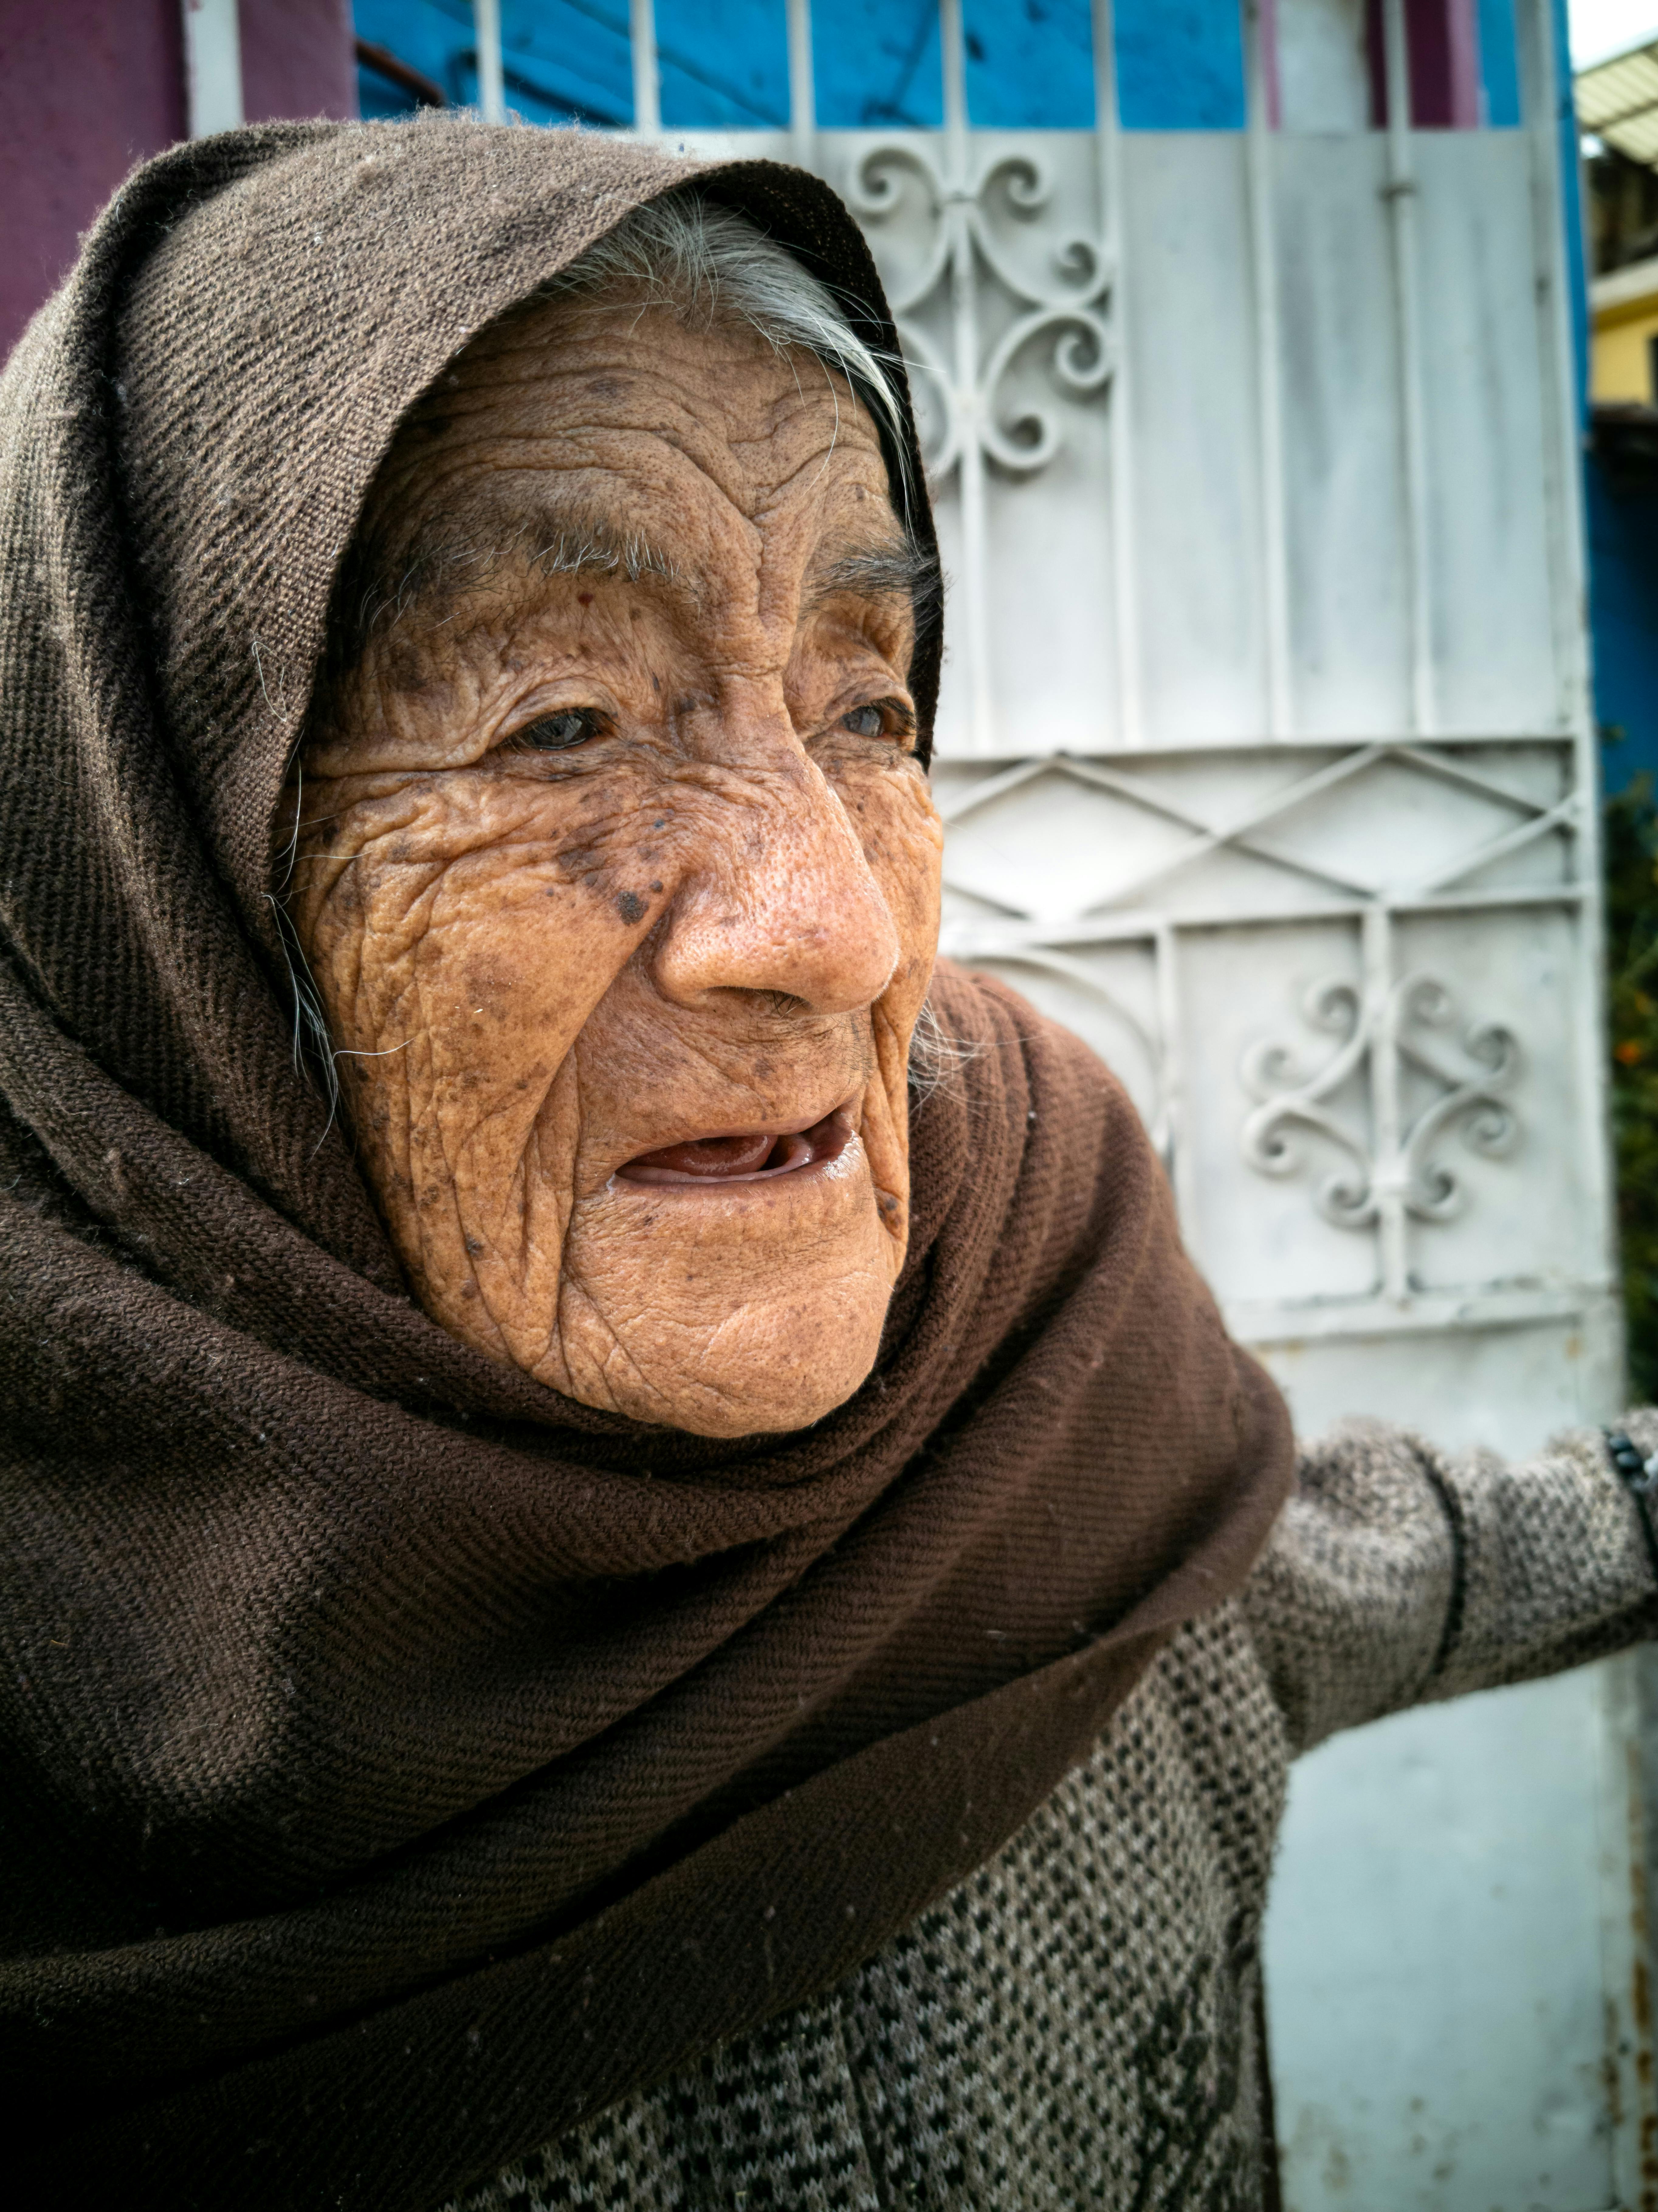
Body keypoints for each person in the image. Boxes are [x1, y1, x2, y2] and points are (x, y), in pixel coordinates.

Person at [1, 118, 1652, 2212]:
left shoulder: (1029, 1325)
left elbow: (1356, 1577)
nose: (841, 931)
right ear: (163, 889)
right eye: (561, 723)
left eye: (869, 709)